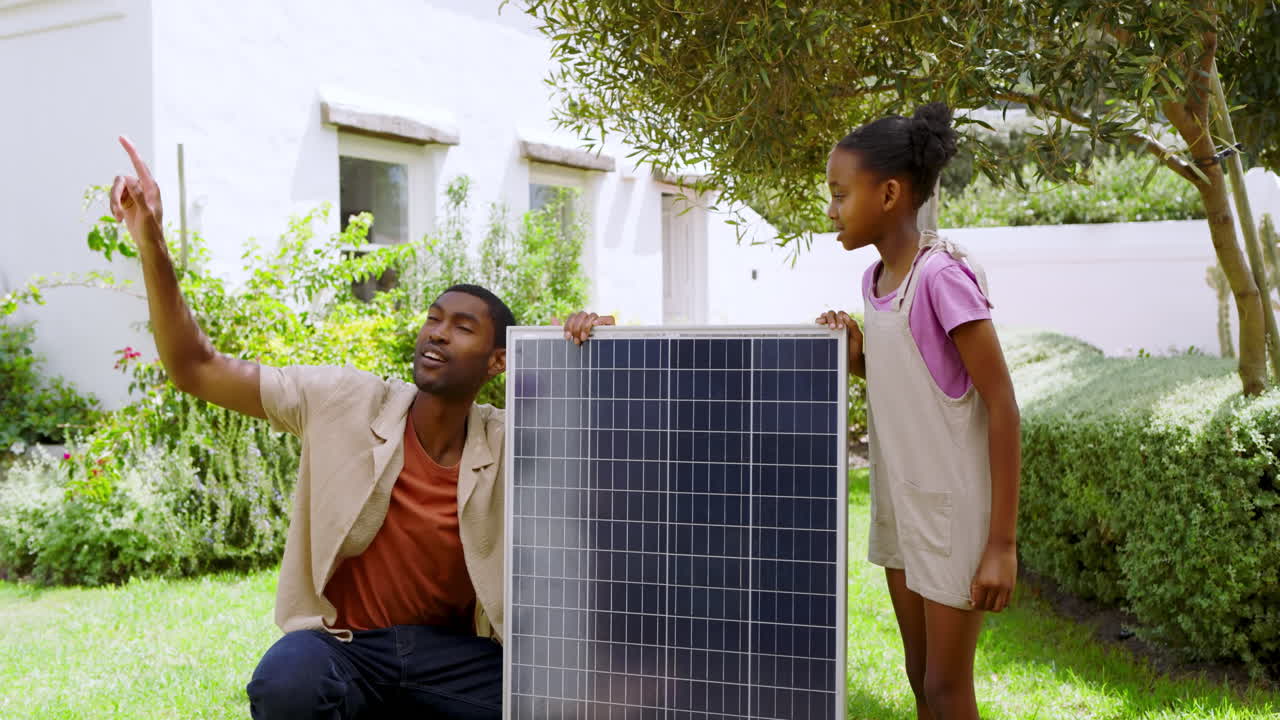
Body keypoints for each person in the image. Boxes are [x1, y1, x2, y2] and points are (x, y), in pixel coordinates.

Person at [108, 136, 614, 719]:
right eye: (433, 318)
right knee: (286, 683)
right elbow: (196, 368)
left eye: (463, 326)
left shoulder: (512, 442)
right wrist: (150, 240)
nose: (438, 332)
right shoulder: (342, 400)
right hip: (346, 649)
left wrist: (586, 356)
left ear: (498, 359)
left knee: (561, 699)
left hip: (455, 658)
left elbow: (612, 458)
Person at [815, 104, 1022, 720]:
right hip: (901, 505)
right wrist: (857, 358)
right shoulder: (874, 281)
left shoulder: (941, 278)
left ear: (888, 193)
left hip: (953, 513)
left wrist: (1002, 544)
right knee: (917, 676)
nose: (830, 210)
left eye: (838, 194)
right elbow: (917, 383)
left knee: (947, 688)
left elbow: (1002, 404)